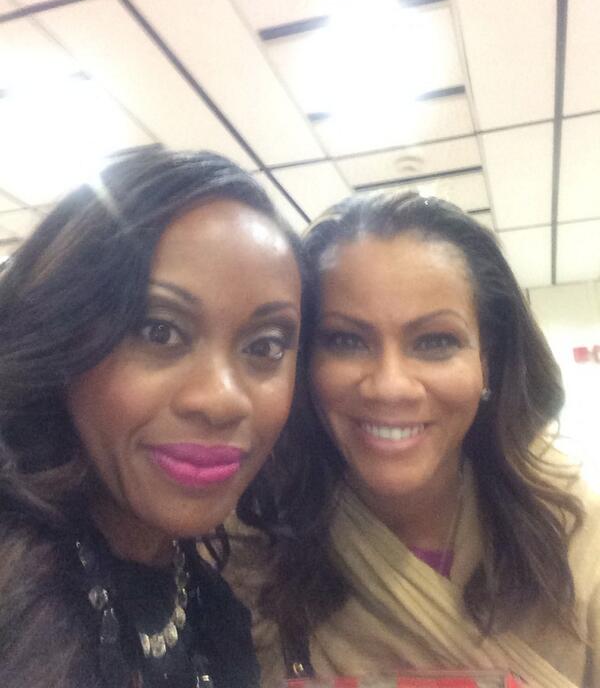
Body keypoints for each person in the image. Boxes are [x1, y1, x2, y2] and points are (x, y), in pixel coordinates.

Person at [228, 191, 600, 688]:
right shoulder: (246, 542)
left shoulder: (574, 531)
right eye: (345, 340)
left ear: (488, 361)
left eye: (435, 341)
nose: (390, 386)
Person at [0, 145, 304, 688]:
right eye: (159, 330)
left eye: (265, 346)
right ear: (63, 341)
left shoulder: (217, 611)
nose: (222, 400)